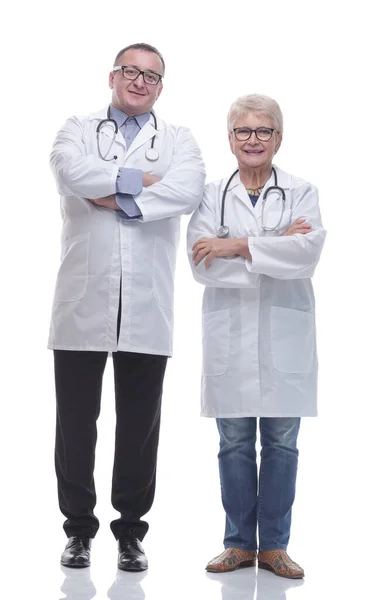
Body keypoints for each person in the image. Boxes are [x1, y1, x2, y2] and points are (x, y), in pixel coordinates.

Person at [49, 42, 205, 571]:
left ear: (161, 87)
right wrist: (144, 184)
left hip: (147, 304)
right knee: (76, 423)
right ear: (112, 76)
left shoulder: (179, 140)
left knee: (140, 427)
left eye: (152, 76)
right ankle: (77, 531)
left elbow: (187, 190)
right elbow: (70, 171)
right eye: (131, 71)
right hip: (82, 303)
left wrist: (113, 191)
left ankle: (131, 533)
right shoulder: (76, 128)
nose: (140, 82)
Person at [187, 94, 326, 578]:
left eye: (263, 131)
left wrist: (238, 245)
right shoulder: (210, 194)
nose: (253, 140)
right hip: (230, 336)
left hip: (286, 337)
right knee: (234, 444)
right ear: (229, 139)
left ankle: (276, 547)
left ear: (279, 139)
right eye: (243, 131)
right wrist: (272, 249)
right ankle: (240, 543)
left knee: (283, 443)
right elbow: (200, 263)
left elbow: (306, 256)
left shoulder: (302, 191)